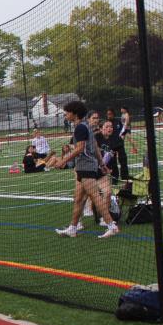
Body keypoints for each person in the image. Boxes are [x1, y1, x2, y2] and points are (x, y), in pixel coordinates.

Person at [50, 100, 119, 239]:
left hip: (86, 166)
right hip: (84, 167)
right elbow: (95, 147)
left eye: (67, 113)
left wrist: (63, 161)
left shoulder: (80, 128)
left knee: (95, 196)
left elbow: (80, 148)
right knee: (78, 199)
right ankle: (73, 228)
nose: (65, 115)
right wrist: (102, 164)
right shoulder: (86, 126)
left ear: (74, 114)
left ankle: (112, 226)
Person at [105, 108, 130, 180]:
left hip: (119, 144)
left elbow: (124, 130)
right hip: (111, 146)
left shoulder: (118, 122)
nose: (109, 116)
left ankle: (125, 177)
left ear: (113, 114)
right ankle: (115, 178)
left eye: (110, 114)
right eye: (107, 114)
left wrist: (122, 137)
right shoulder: (106, 123)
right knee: (113, 163)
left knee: (123, 161)